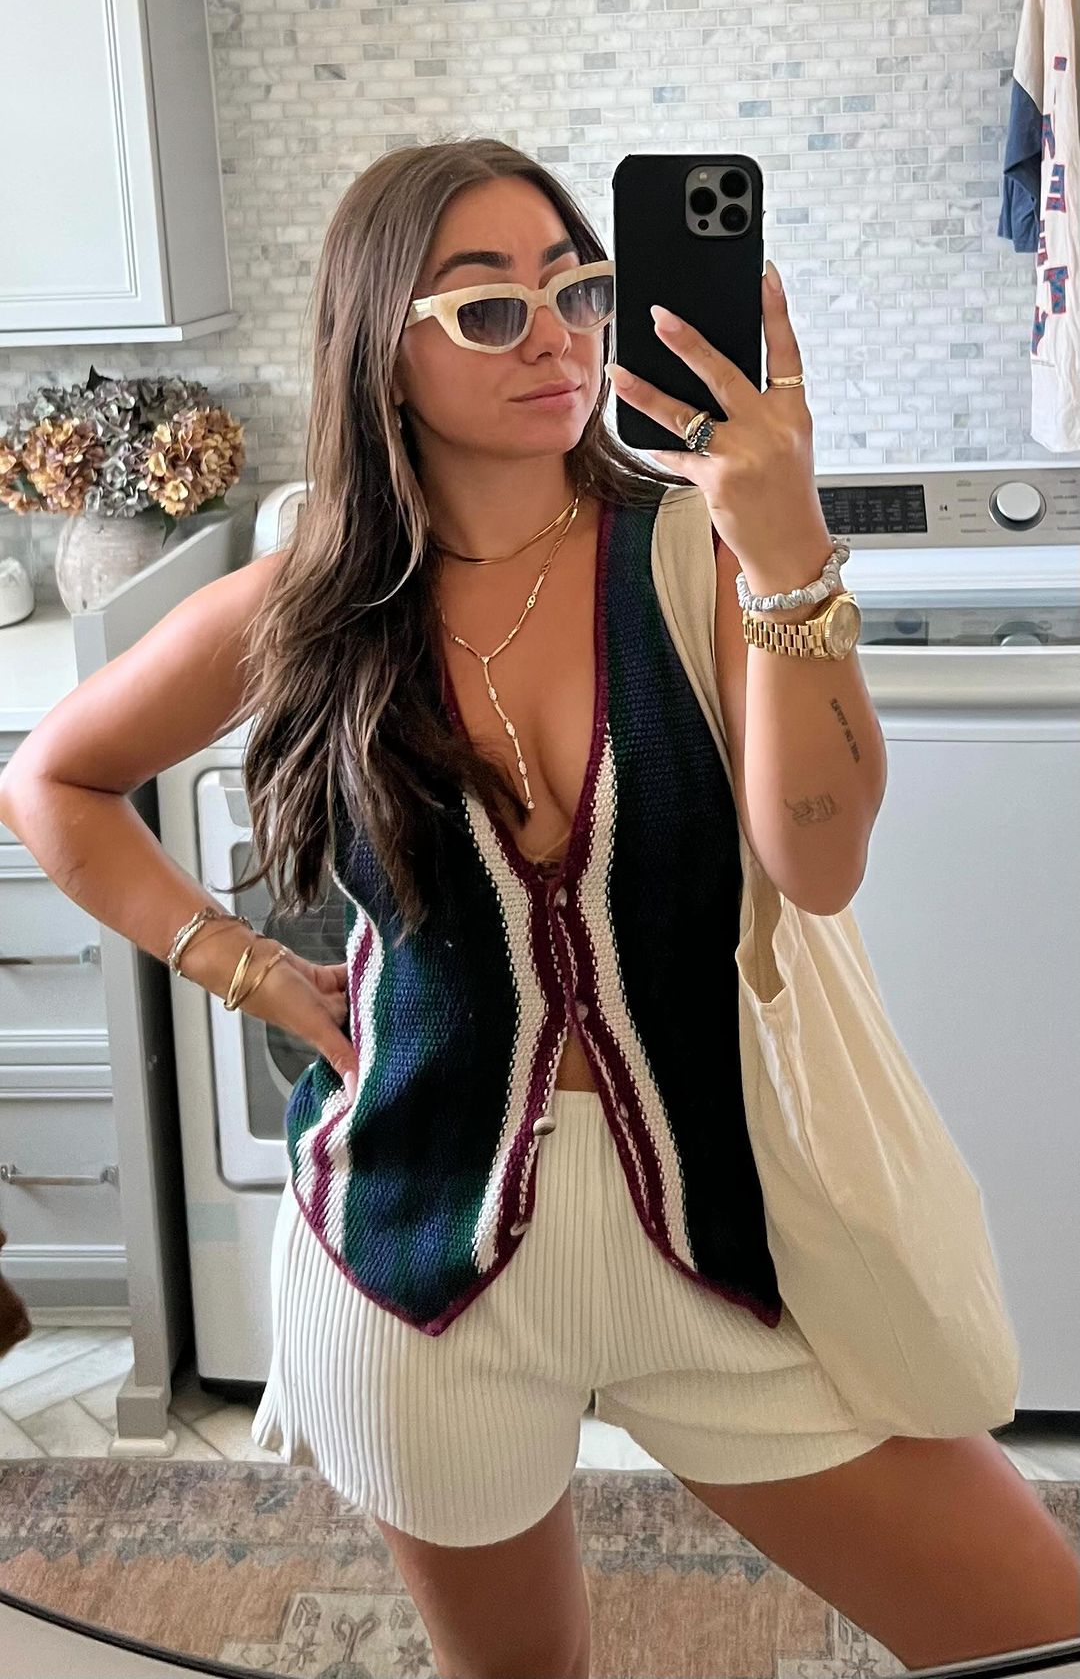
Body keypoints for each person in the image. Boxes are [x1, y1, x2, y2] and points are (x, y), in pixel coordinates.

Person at [2, 139, 1076, 1679]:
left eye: (581, 291)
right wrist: (239, 967)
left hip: (722, 1238)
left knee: (1036, 1631)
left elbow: (822, 864)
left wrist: (787, 540)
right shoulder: (309, 601)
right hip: (419, 1260)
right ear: (382, 349)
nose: (560, 338)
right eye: (490, 308)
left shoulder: (703, 556)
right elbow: (52, 781)